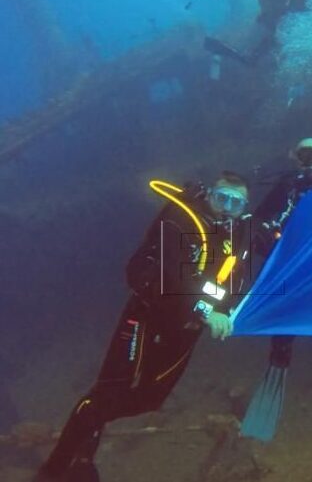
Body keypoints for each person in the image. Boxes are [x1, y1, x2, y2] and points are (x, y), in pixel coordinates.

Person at [38, 173, 254, 481]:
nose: (227, 208)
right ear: (209, 194)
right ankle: (56, 469)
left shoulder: (237, 232)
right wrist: (207, 312)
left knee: (150, 399)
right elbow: (171, 275)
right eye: (222, 198)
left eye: (236, 202)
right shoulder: (180, 217)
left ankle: (86, 439)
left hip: (184, 328)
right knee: (110, 390)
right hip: (147, 315)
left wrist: (227, 310)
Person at [240, 138, 312, 442]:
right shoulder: (286, 186)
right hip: (288, 262)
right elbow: (259, 218)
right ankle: (279, 361)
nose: (310, 162)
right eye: (304, 155)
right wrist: (265, 239)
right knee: (285, 313)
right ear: (295, 158)